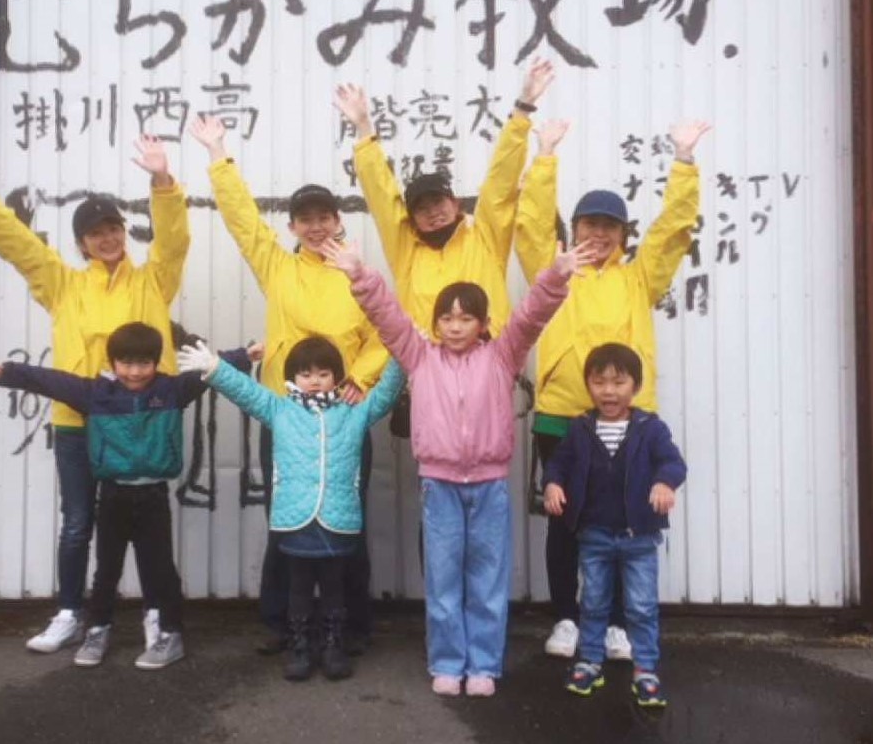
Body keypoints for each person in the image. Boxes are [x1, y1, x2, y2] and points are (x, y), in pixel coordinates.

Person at [0, 138, 189, 653]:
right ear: (82, 244)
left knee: (147, 529)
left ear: (124, 232)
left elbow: (175, 240)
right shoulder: (63, 285)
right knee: (78, 523)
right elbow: (21, 248)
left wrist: (162, 183)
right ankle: (71, 612)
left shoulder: (153, 282)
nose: (107, 238)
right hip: (75, 422)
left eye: (113, 228)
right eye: (95, 233)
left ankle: (157, 616)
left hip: (140, 424)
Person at [322, 237, 596, 697]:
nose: (454, 326)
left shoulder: (503, 355)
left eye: (466, 318)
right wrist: (359, 275)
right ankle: (448, 662)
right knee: (444, 577)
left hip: (489, 485)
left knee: (487, 578)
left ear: (484, 324)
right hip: (439, 484)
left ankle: (484, 664)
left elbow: (531, 317)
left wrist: (556, 275)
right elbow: (387, 317)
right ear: (435, 323)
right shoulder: (419, 356)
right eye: (446, 318)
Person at [189, 115, 390, 653]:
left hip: (344, 420)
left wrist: (361, 379)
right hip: (286, 417)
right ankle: (284, 622)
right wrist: (218, 155)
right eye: (306, 219)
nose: (316, 226)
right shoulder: (277, 267)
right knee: (284, 518)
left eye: (324, 216)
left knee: (349, 520)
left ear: (338, 220)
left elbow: (385, 335)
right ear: (294, 227)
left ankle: (350, 625)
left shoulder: (358, 274)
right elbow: (243, 222)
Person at [514, 118, 709, 661]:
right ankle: (566, 619)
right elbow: (530, 223)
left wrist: (684, 162)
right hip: (561, 415)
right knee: (564, 520)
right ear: (574, 229)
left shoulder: (639, 277)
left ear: (623, 235)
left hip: (628, 421)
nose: (598, 235)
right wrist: (544, 155)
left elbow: (674, 231)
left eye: (609, 227)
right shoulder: (554, 271)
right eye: (588, 225)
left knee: (625, 520)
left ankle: (619, 623)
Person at [0, 323, 257, 668]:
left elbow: (208, 372)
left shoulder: (172, 390)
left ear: (156, 362)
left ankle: (170, 635)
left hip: (153, 497)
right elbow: (52, 381)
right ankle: (97, 630)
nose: (134, 372)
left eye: (143, 363)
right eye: (126, 363)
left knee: (161, 570)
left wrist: (244, 356)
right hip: (112, 497)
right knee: (107, 570)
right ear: (112, 362)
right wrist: (8, 373)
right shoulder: (96, 394)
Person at [179, 336, 404, 681]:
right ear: (292, 378)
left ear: (337, 377)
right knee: (298, 587)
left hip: (337, 520)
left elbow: (385, 394)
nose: (314, 381)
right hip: (295, 522)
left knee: (334, 587)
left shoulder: (355, 413)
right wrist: (215, 368)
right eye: (305, 374)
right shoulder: (279, 409)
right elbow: (247, 392)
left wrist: (402, 356)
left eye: (323, 374)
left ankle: (333, 644)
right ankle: (300, 645)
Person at [332, 57, 554, 338]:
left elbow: (502, 181)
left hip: (487, 359)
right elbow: (381, 195)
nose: (433, 212)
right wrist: (364, 128)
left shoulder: (485, 238)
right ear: (412, 219)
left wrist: (524, 107)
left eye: (438, 202)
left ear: (455, 203)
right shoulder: (406, 252)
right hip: (427, 363)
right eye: (422, 209)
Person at [542, 342, 687, 707]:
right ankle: (590, 661)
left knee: (641, 605)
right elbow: (558, 463)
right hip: (593, 536)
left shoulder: (650, 428)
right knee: (593, 602)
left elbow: (673, 463)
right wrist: (553, 484)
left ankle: (646, 670)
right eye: (599, 382)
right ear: (588, 385)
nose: (608, 391)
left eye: (618, 382)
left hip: (639, 538)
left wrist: (664, 483)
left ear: (636, 386)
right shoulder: (580, 428)